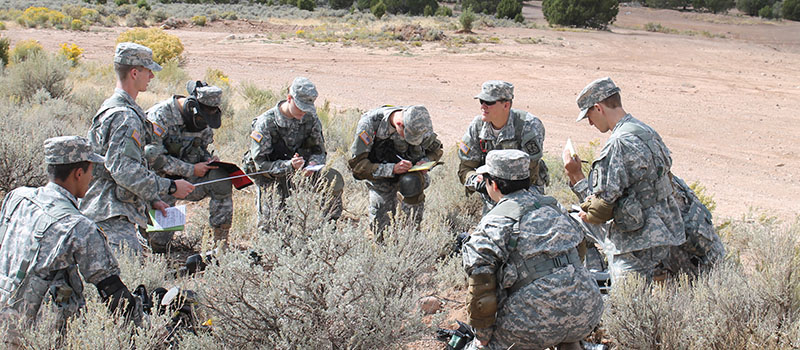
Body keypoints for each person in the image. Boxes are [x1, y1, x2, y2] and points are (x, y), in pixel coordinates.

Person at [0, 136, 142, 346]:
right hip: (35, 334)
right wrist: (144, 324)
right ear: (78, 173)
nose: (92, 177)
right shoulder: (79, 227)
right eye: (91, 171)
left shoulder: (17, 197)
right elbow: (112, 292)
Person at [461, 149, 603, 350]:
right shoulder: (553, 206)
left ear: (492, 184)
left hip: (533, 323)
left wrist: (482, 338)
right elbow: (580, 249)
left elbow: (481, 285)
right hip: (587, 311)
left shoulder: (494, 221)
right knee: (563, 329)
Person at [563, 77, 685, 283]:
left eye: (589, 116)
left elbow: (601, 209)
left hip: (636, 241)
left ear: (598, 108)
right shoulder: (645, 131)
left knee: (627, 308)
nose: (590, 122)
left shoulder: (617, 145)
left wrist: (575, 175)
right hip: (667, 231)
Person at [81, 42, 194, 253]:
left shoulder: (115, 108)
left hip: (114, 209)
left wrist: (152, 199)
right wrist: (170, 187)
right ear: (134, 72)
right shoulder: (125, 117)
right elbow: (123, 170)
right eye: (148, 70)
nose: (151, 76)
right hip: (111, 216)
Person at [145, 81, 232, 251]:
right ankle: (152, 238)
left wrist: (208, 161)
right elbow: (152, 159)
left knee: (220, 178)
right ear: (192, 107)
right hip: (158, 182)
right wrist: (191, 169)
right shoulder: (160, 116)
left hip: (187, 178)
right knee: (159, 246)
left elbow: (200, 148)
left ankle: (220, 246)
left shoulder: (205, 119)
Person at [243, 77, 344, 223]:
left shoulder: (310, 118)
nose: (304, 112)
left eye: (307, 108)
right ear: (289, 98)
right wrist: (289, 166)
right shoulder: (265, 123)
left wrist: (313, 164)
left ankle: (328, 229)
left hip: (302, 172)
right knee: (273, 226)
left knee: (332, 179)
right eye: (300, 107)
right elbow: (260, 165)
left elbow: (319, 150)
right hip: (272, 177)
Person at [348, 105, 443, 239]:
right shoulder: (370, 124)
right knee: (380, 229)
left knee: (412, 182)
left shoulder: (418, 123)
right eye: (409, 137)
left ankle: (411, 236)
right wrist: (392, 169)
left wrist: (426, 162)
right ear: (399, 124)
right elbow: (358, 166)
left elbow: (436, 150)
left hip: (409, 175)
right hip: (379, 177)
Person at [458, 80, 549, 213]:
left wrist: (500, 188)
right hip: (491, 191)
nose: (483, 106)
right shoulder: (477, 127)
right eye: (481, 101)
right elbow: (465, 168)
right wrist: (480, 183)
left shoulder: (528, 126)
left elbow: (531, 172)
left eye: (489, 102)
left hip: (525, 193)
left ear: (506, 105)